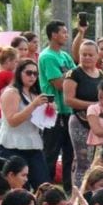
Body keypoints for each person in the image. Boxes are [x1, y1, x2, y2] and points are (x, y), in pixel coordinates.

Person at [0, 60, 50, 188]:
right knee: (16, 187)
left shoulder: (34, 93)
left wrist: (49, 110)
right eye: (29, 73)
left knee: (43, 184)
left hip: (33, 143)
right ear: (19, 73)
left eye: (35, 74)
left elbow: (40, 121)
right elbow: (12, 121)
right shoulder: (11, 93)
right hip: (11, 145)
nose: (32, 77)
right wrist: (34, 105)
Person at [39, 20, 77, 193]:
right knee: (51, 152)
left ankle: (68, 189)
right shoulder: (47, 56)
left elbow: (77, 77)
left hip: (69, 111)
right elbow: (59, 83)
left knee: (70, 153)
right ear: (53, 34)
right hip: (54, 110)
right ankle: (46, 189)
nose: (66, 35)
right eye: (63, 32)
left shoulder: (65, 56)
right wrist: (73, 83)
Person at [63, 39, 103, 189]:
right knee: (83, 161)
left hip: (98, 122)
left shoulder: (100, 73)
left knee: (98, 159)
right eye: (83, 54)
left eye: (90, 55)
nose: (86, 57)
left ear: (97, 56)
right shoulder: (73, 74)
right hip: (80, 121)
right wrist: (93, 106)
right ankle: (79, 193)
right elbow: (68, 100)